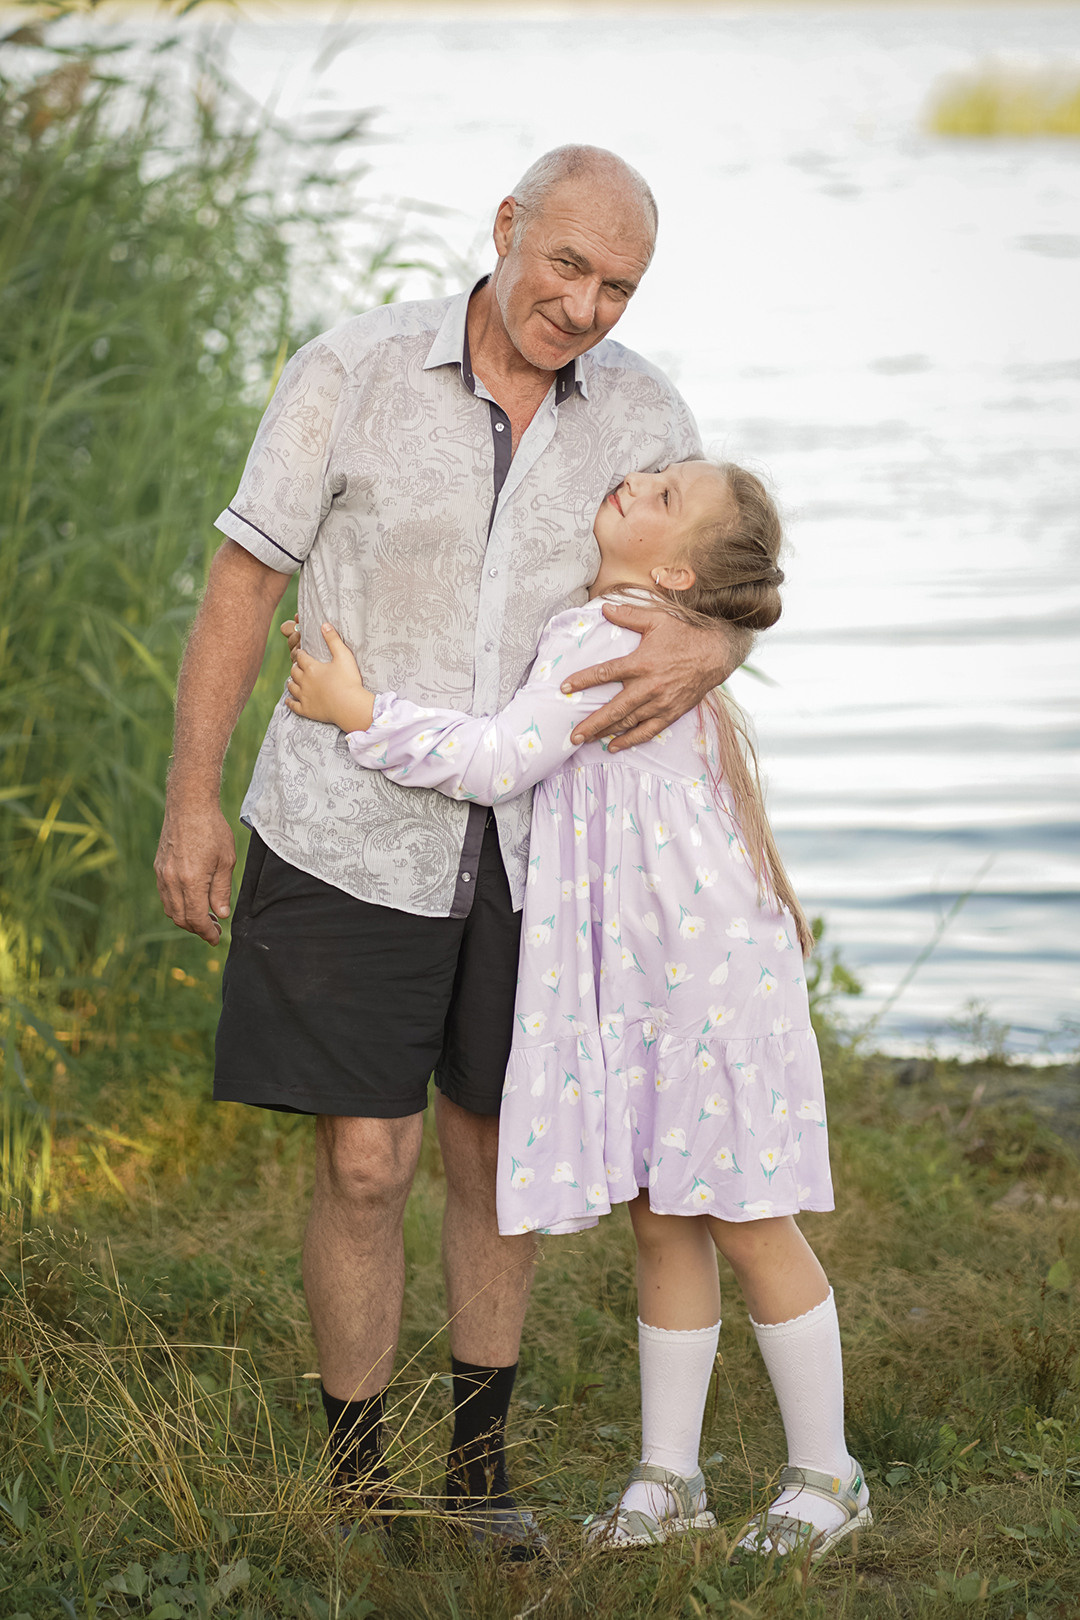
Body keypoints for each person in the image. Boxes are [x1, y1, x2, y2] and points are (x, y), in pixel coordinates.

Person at [153, 145, 749, 1554]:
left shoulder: (648, 411)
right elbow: (247, 576)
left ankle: (478, 1477)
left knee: (499, 1155)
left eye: (617, 285)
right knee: (367, 1161)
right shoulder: (350, 370)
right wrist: (192, 797)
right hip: (347, 827)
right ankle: (360, 1484)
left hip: (554, 847)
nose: (586, 305)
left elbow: (710, 582)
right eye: (566, 267)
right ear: (506, 231)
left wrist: (717, 640)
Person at [283, 456, 872, 1561]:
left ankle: (829, 1474)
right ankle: (669, 1479)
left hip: (700, 982)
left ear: (680, 566)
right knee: (663, 1214)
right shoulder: (606, 622)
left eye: (662, 494)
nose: (636, 480)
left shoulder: (611, 637)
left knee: (747, 1217)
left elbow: (504, 759)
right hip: (647, 980)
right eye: (650, 472)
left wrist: (362, 711)